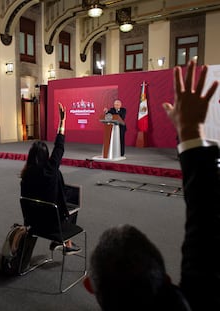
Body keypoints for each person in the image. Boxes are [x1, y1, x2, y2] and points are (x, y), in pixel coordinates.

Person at [83, 60, 220, 310]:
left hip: (120, 136)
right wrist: (190, 132)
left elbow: (205, 226)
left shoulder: (122, 111)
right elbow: (205, 223)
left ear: (90, 286)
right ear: (166, 278)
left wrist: (188, 137)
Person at [20, 102, 80, 255]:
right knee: (71, 208)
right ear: (46, 156)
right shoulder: (50, 170)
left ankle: (65, 242)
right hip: (53, 226)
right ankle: (66, 242)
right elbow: (59, 146)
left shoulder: (25, 176)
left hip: (34, 223)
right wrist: (62, 121)